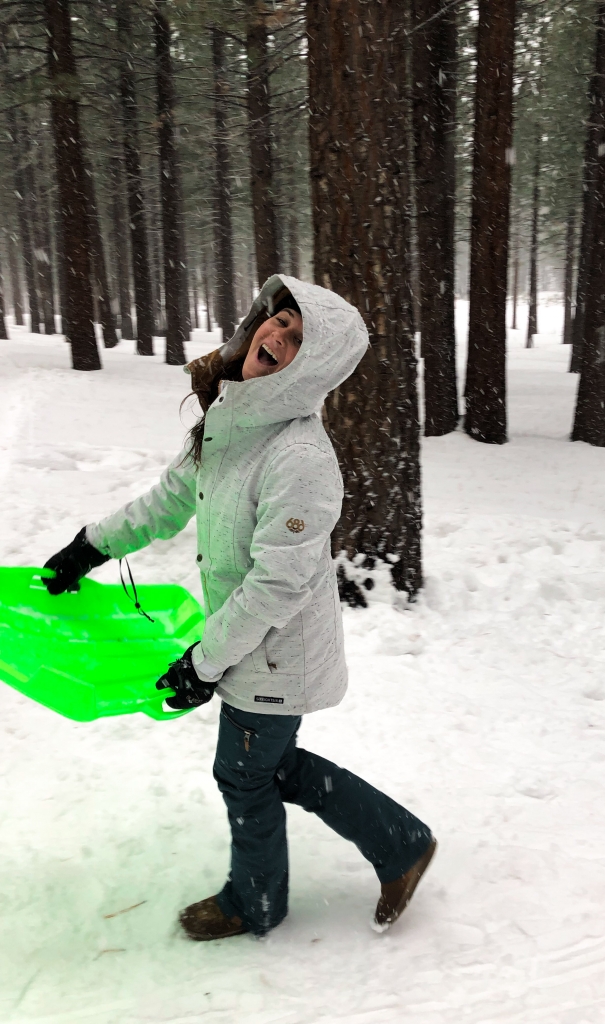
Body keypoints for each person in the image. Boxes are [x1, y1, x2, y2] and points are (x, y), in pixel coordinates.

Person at [42, 274, 436, 941]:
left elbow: (274, 587)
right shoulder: (230, 423)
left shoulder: (299, 456)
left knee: (246, 774)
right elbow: (165, 502)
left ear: (314, 368)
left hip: (275, 653)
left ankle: (257, 901)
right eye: (278, 319)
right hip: (248, 640)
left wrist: (203, 662)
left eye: (299, 337)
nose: (277, 334)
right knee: (269, 768)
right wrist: (88, 549)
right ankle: (401, 841)